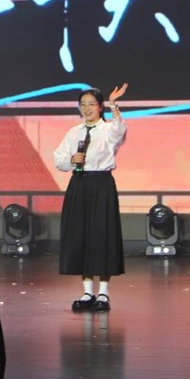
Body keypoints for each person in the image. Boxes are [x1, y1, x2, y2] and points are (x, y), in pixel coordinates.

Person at [54, 83, 129, 312]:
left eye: (91, 104)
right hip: (79, 184)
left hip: (101, 185)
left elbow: (120, 130)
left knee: (102, 235)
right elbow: (59, 159)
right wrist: (71, 160)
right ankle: (87, 291)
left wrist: (114, 105)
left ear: (100, 107)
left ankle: (103, 292)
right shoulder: (73, 132)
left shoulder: (107, 130)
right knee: (81, 235)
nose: (87, 109)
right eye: (83, 104)